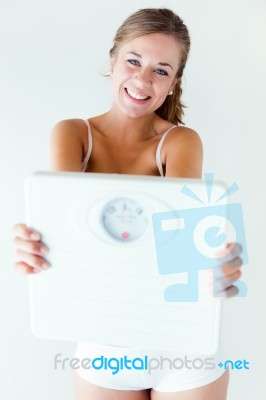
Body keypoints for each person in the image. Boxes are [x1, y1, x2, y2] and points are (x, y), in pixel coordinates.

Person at [13, 8, 243, 400]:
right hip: (103, 345)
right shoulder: (73, 135)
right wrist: (36, 246)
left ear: (173, 83)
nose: (142, 79)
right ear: (112, 61)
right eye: (134, 61)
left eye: (161, 70)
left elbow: (182, 249)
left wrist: (214, 259)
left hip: (182, 344)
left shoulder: (181, 142)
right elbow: (66, 241)